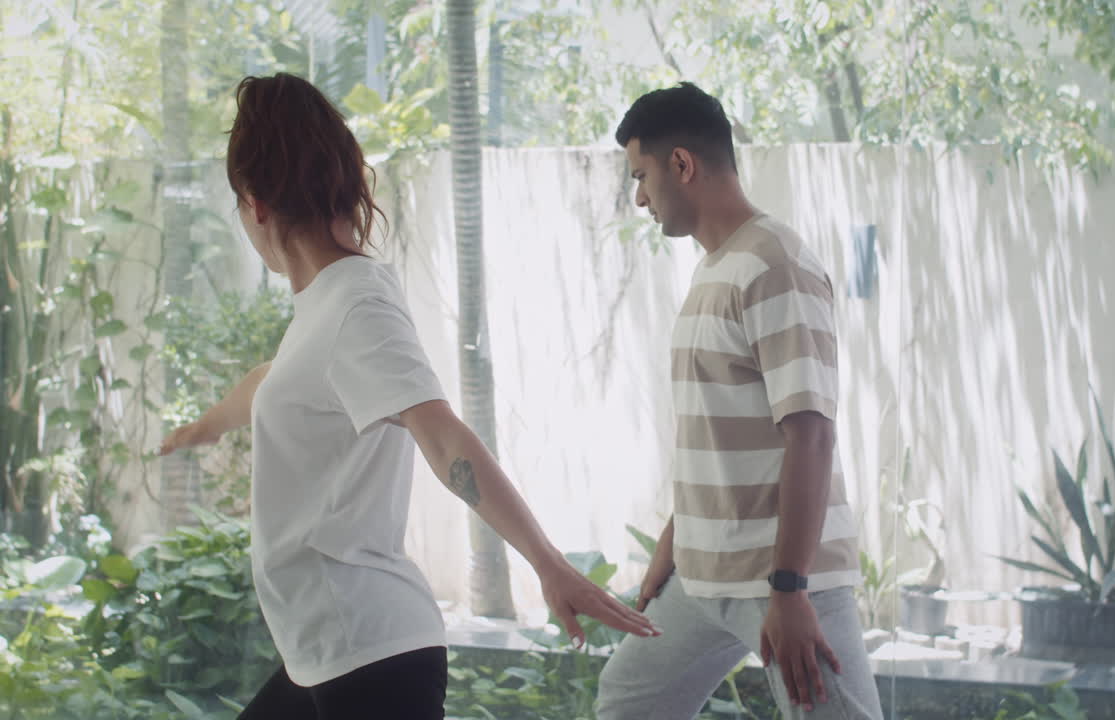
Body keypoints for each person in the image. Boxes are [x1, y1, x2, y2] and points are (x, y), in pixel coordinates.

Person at [158, 72, 658, 720]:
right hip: (327, 655)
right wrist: (205, 426)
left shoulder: (356, 305)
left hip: (372, 657)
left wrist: (548, 563)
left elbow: (442, 434)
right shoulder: (325, 304)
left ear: (254, 203)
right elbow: (273, 381)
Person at [595, 83, 884, 720]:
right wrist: (676, 539)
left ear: (681, 165)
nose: (639, 196)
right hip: (703, 577)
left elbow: (810, 433)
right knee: (630, 699)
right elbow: (719, 436)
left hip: (781, 578)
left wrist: (790, 587)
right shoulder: (715, 268)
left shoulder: (775, 262)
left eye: (641, 176)